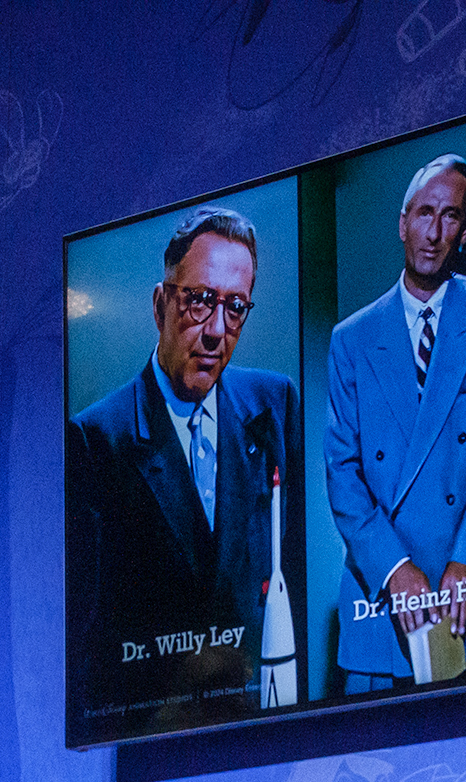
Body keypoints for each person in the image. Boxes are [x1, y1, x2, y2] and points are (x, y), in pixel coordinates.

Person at [66, 206, 304, 739]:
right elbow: (90, 637)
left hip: (264, 720)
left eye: (236, 308)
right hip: (158, 732)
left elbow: (289, 569)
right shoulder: (97, 439)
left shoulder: (275, 404)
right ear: (160, 303)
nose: (217, 331)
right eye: (200, 301)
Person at [324, 154, 466, 692]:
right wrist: (394, 568)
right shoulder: (351, 337)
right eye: (424, 214)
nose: (434, 232)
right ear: (403, 222)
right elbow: (341, 469)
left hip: (462, 596)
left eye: (450, 217)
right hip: (377, 598)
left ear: (465, 228)